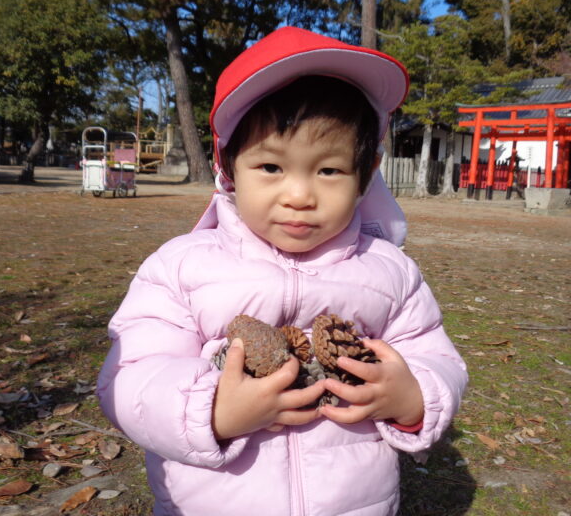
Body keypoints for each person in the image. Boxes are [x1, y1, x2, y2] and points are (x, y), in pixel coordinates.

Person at [97, 26, 468, 516]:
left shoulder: (388, 272)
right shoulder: (181, 267)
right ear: (229, 166)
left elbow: (435, 354)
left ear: (366, 172)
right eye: (271, 168)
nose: (299, 195)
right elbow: (130, 377)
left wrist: (414, 396)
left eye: (329, 170)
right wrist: (212, 411)